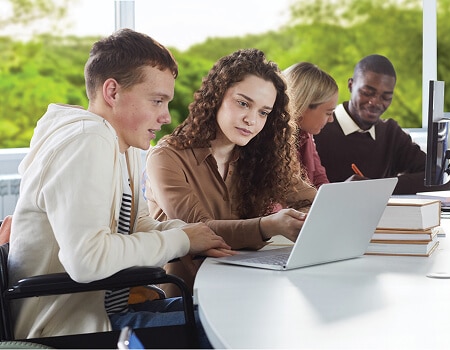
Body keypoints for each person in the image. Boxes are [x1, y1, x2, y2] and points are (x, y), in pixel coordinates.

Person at [8, 28, 232, 340]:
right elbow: (87, 260)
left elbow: (137, 225)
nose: (166, 116)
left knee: (219, 311)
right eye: (157, 101)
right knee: (223, 327)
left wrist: (198, 235)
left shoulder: (122, 146)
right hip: (67, 332)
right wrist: (182, 241)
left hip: (107, 314)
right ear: (112, 92)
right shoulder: (87, 139)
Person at [144, 49, 317, 295]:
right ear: (216, 97)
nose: (251, 120)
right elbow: (201, 231)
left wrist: (305, 217)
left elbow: (309, 200)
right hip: (186, 302)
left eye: (263, 112)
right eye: (243, 103)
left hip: (248, 287)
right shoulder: (166, 157)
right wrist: (270, 226)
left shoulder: (263, 156)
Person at [314, 54, 450, 194]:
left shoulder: (390, 133)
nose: (375, 102)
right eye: (367, 93)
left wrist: (375, 187)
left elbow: (440, 178)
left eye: (386, 97)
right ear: (351, 85)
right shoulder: (318, 128)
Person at [282, 62, 339, 188]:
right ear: (302, 106)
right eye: (328, 113)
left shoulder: (306, 135)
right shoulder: (270, 140)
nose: (331, 120)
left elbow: (320, 180)